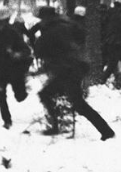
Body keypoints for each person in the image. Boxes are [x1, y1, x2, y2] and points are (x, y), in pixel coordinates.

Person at [33, 8, 115, 140]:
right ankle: (105, 131)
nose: (41, 22)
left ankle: (106, 131)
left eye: (42, 19)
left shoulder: (53, 30)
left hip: (69, 69)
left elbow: (39, 49)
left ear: (46, 18)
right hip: (74, 67)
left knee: (74, 103)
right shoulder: (67, 25)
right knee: (63, 99)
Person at [0, 7, 33, 129]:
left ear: (7, 20)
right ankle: (7, 121)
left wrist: (16, 54)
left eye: (3, 21)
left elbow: (26, 50)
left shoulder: (14, 33)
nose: (0, 24)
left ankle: (22, 92)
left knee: (20, 96)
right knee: (0, 96)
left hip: (14, 70)